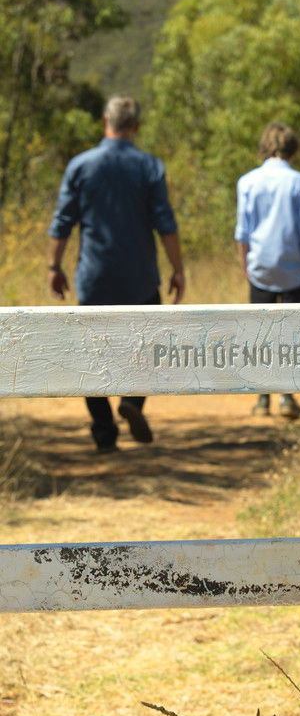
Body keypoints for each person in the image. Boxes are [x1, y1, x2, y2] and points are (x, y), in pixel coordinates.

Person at [48, 95, 185, 453]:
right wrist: (178, 269)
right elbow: (165, 223)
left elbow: (63, 222)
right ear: (136, 126)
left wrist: (54, 266)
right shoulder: (149, 166)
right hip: (140, 279)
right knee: (149, 348)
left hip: (95, 278)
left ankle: (104, 431)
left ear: (104, 121)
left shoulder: (81, 165)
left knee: (91, 355)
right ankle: (132, 402)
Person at [234, 121, 300, 419]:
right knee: (293, 335)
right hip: (294, 269)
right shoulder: (299, 182)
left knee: (260, 334)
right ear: (293, 149)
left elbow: (243, 232)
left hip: (260, 269)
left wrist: (245, 265)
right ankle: (287, 397)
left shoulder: (247, 182)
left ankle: (262, 398)